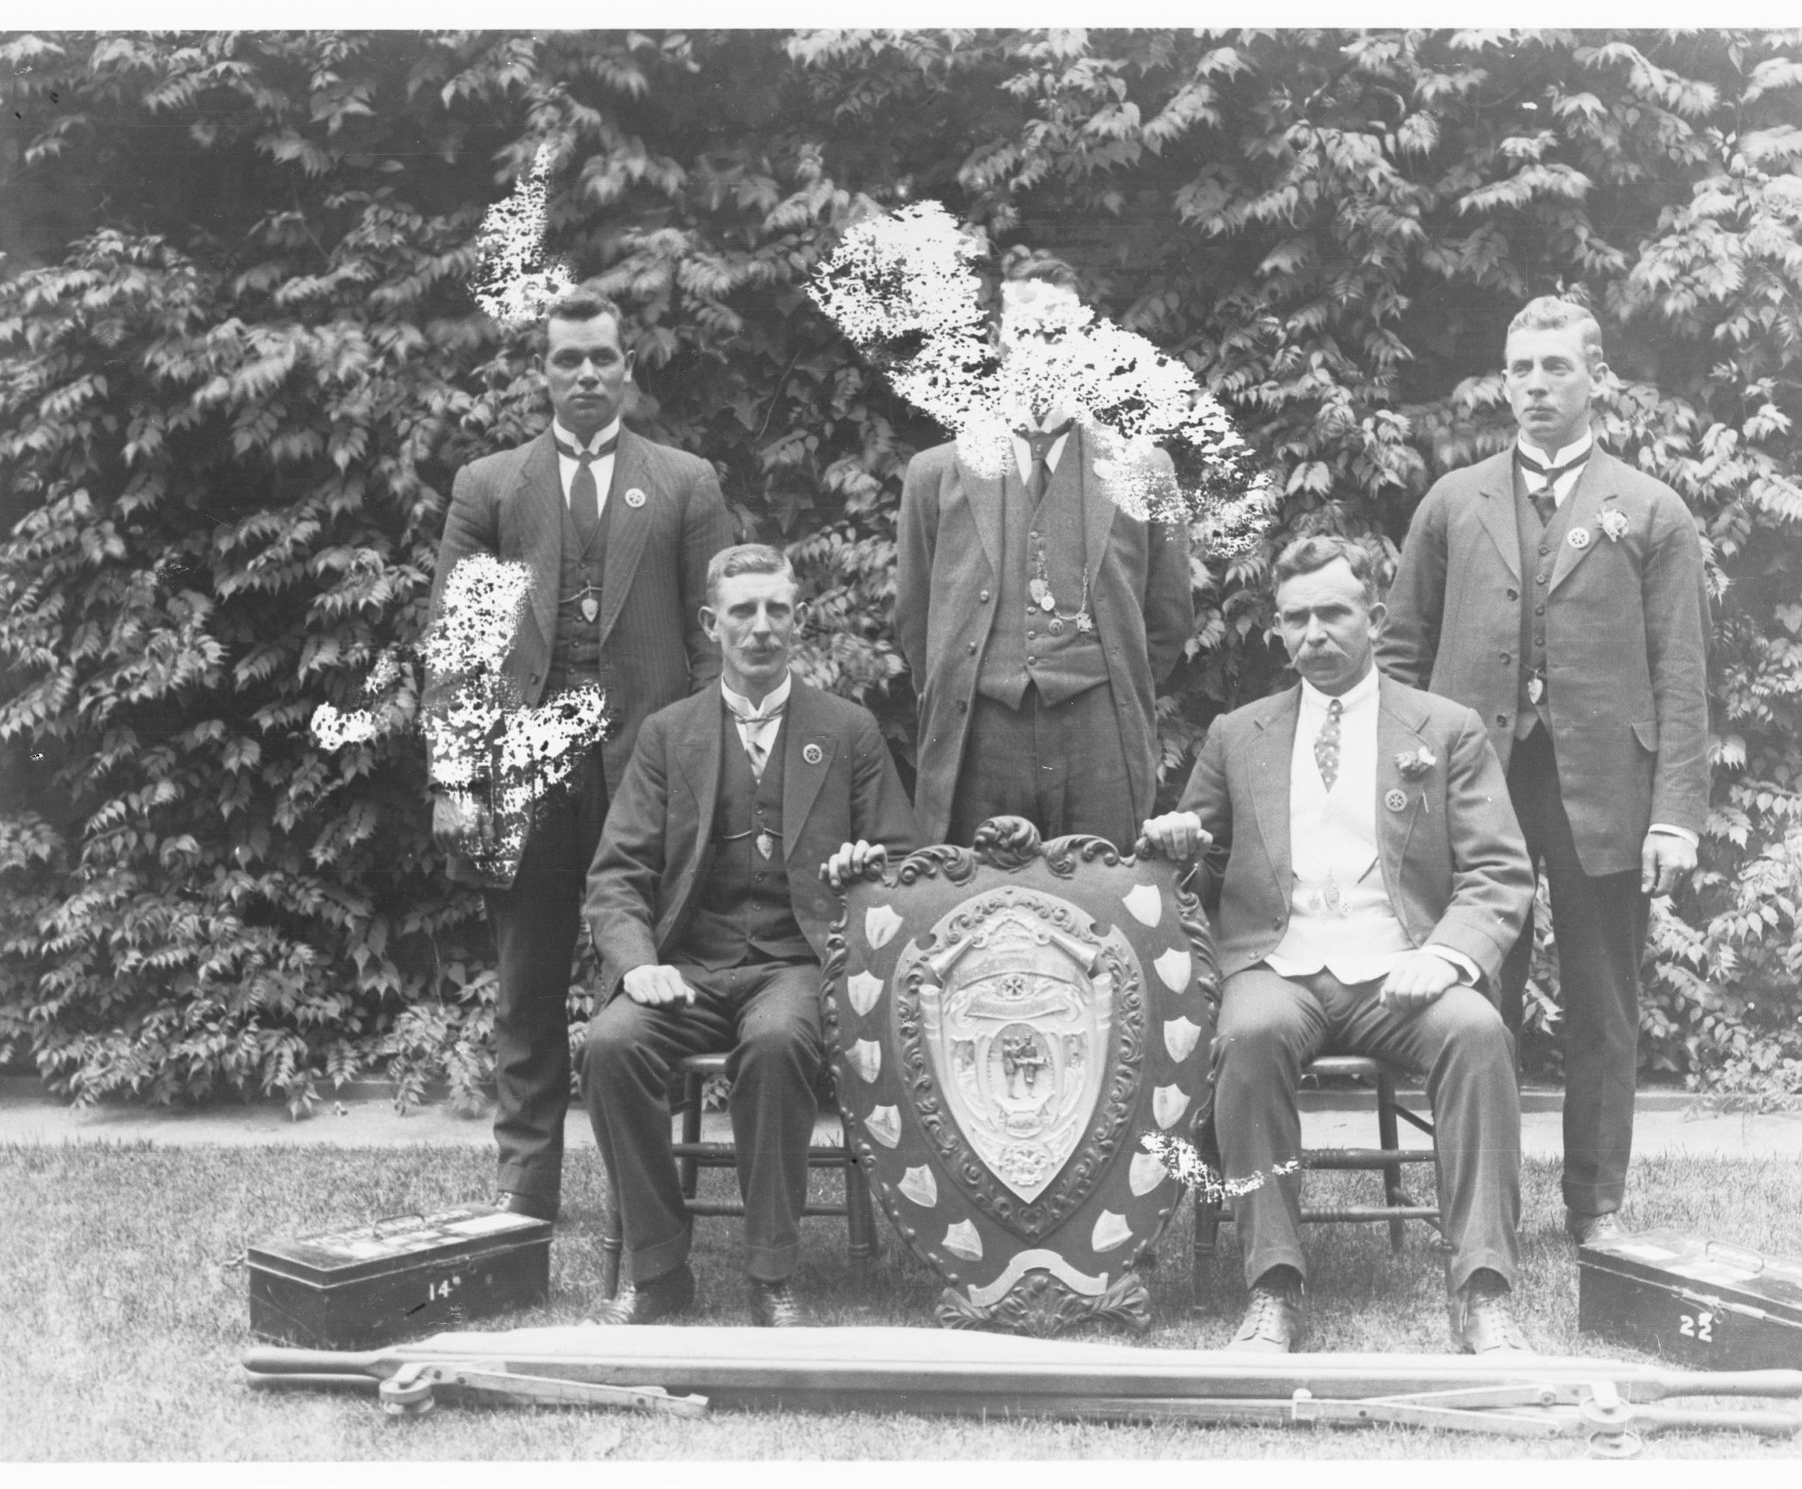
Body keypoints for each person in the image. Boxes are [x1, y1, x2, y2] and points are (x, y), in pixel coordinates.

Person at [1144, 536, 1536, 1354]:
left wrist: (1444, 957)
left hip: (1402, 964)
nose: (1313, 634)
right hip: (1278, 963)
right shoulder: (1238, 733)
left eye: (1333, 613)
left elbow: (1499, 872)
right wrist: (1177, 846)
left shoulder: (1446, 729)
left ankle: (1484, 1290)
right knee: (1248, 1035)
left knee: (1477, 1034)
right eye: (1296, 619)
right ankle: (1274, 1287)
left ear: (1376, 619)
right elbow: (1193, 873)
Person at [1378, 297, 1711, 1247]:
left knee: (1604, 1003)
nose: (1534, 386)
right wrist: (1398, 780)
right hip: (1475, 786)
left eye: (1556, 367)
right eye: (1520, 368)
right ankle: (1482, 1202)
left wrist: (1675, 815)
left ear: (1596, 378)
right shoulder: (1454, 502)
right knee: (1474, 999)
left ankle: (1594, 1205)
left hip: (1604, 789)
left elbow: (1682, 672)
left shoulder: (1651, 509)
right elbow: (1397, 654)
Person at [424, 289, 733, 1223]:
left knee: (640, 986)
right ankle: (525, 1195)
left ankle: (641, 1195)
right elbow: (458, 646)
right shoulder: (490, 486)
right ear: (544, 373)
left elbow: (714, 643)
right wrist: (457, 778)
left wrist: (708, 772)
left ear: (627, 369)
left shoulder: (683, 482)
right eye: (569, 359)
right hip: (524, 775)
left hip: (647, 776)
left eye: (602, 357)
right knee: (526, 985)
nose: (587, 374)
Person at [578, 544, 919, 1326]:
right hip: (689, 967)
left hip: (797, 963)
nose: (761, 627)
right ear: (711, 624)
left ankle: (771, 1273)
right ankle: (660, 1268)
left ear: (798, 621)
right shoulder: (669, 735)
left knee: (774, 1043)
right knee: (610, 1046)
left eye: (777, 610)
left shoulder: (848, 730)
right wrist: (636, 964)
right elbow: (617, 874)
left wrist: (866, 872)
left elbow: (905, 865)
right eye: (743, 612)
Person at [895, 254, 1194, 853]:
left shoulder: (1144, 470)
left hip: (1099, 733)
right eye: (1026, 330)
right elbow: (916, 617)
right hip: (978, 732)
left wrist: (1104, 684)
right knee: (977, 898)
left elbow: (1167, 617)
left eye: (1059, 332)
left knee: (1101, 895)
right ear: (997, 340)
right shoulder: (935, 474)